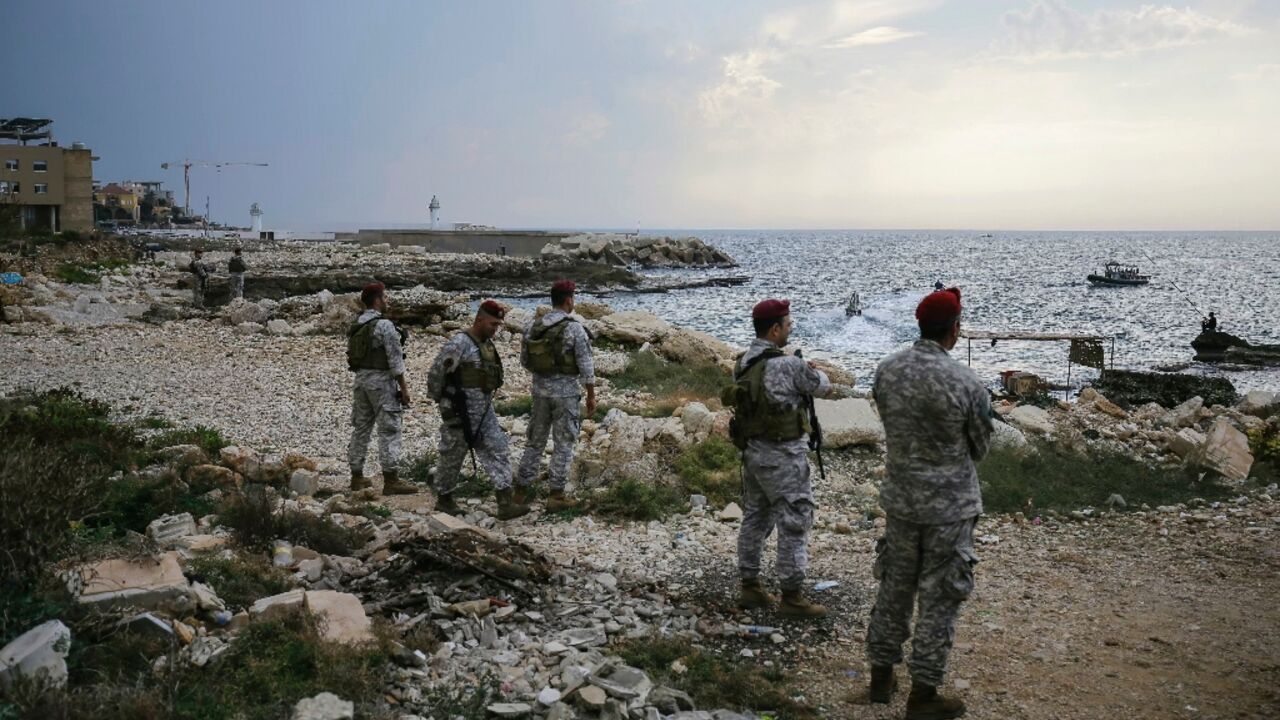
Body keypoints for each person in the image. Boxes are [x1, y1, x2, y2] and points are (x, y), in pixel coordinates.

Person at [864, 286, 992, 719]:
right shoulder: (968, 383)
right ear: (955, 329)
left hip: (901, 500)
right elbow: (979, 447)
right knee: (939, 599)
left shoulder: (886, 370)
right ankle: (923, 695)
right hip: (949, 508)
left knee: (894, 587)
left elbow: (887, 421)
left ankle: (880, 678)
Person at [731, 298, 832, 619]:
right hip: (784, 456)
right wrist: (815, 370)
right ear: (775, 330)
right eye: (788, 325)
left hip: (752, 455)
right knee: (795, 519)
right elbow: (823, 387)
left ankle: (750, 585)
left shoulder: (743, 363)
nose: (790, 330)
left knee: (756, 517)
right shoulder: (787, 365)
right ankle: (792, 595)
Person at [427, 300, 529, 520]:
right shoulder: (460, 343)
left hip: (483, 412)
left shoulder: (486, 345)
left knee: (497, 448)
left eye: (498, 325)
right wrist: (444, 405)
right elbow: (437, 374)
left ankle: (504, 502)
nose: (496, 329)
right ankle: (444, 499)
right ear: (479, 319)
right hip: (460, 412)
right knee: (452, 455)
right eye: (493, 324)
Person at [515, 280, 596, 511]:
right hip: (567, 395)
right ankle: (556, 494)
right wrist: (591, 395)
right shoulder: (574, 328)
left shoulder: (533, 326)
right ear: (569, 300)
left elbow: (525, 361)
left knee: (534, 442)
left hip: (540, 393)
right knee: (564, 443)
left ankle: (520, 491)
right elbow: (586, 366)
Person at [346, 282, 417, 495]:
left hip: (361, 381)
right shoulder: (384, 325)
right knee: (389, 428)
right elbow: (395, 361)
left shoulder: (357, 324)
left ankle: (356, 476)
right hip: (382, 383)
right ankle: (391, 479)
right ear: (377, 300)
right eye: (384, 297)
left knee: (361, 428)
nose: (386, 301)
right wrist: (404, 388)